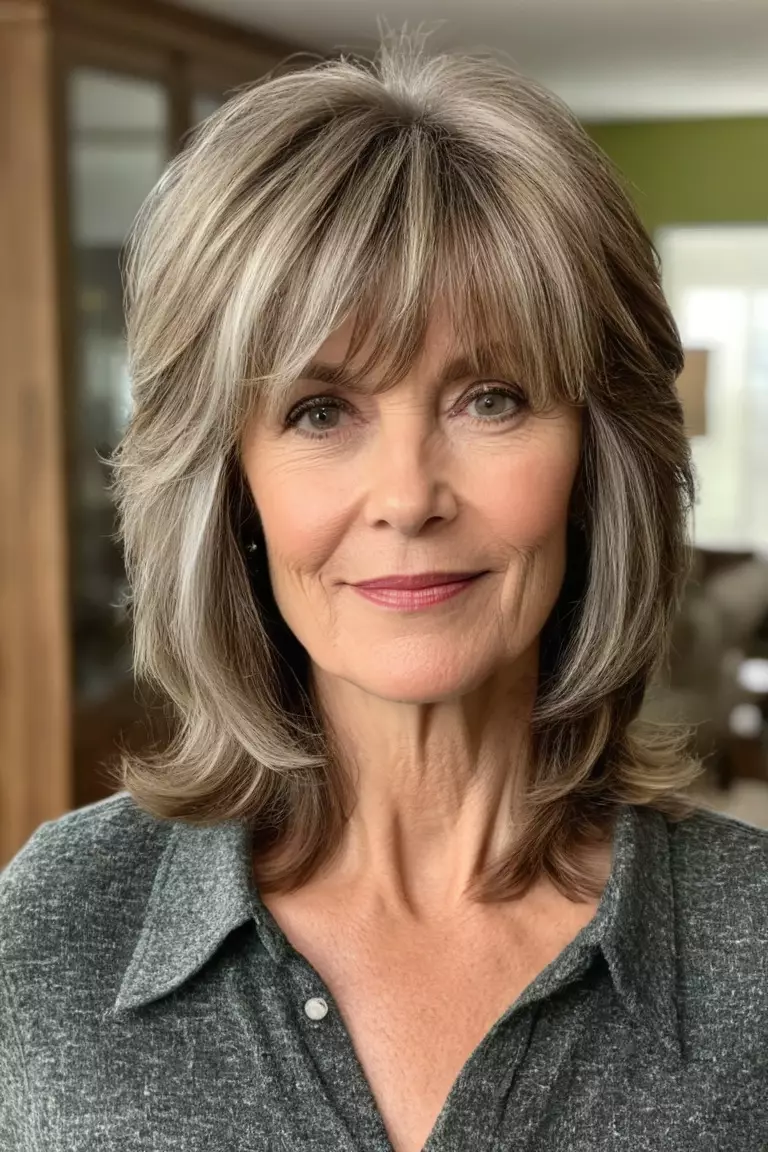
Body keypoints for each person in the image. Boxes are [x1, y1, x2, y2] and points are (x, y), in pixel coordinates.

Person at [2, 27, 766, 1152]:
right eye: (321, 411)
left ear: (598, 459)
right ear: (231, 483)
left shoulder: (752, 945)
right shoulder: (58, 928)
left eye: (491, 398)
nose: (408, 496)